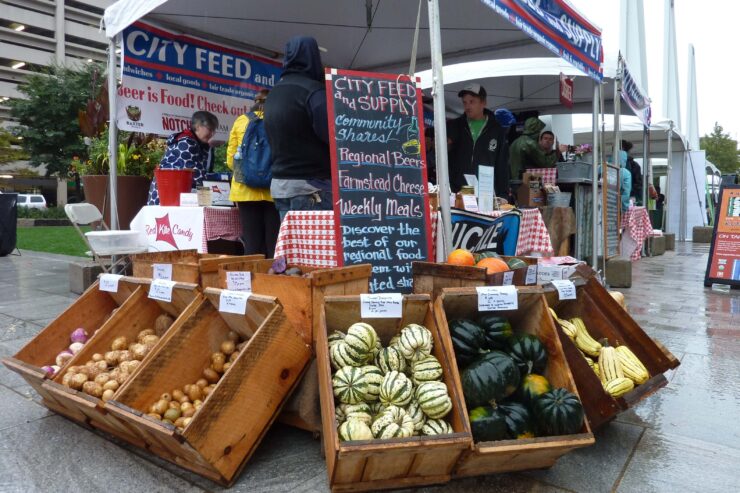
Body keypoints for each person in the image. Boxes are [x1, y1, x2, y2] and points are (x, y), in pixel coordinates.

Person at [263, 36, 332, 221]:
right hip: (312, 188)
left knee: (293, 249)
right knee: (319, 250)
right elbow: (334, 137)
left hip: (281, 187)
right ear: (313, 57)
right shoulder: (314, 92)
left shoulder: (274, 93)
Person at [226, 89, 280, 257]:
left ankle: (251, 279)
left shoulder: (241, 121)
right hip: (273, 190)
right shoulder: (278, 120)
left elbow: (231, 160)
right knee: (273, 242)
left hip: (245, 190)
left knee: (252, 242)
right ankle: (272, 280)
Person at [446, 84, 511, 197]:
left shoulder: (497, 130)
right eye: (464, 102)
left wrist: (503, 195)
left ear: (483, 102)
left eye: (472, 101)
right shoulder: (455, 126)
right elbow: (444, 158)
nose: (467, 106)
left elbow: (502, 165)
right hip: (459, 191)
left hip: (486, 193)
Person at [147, 111, 218, 205]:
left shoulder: (198, 144)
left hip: (175, 194)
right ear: (198, 126)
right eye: (210, 129)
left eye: (214, 130)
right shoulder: (186, 142)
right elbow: (196, 174)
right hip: (166, 196)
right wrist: (214, 197)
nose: (212, 133)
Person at [621, 139, 643, 205]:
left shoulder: (633, 165)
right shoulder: (635, 165)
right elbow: (638, 184)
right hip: (629, 197)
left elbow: (638, 184)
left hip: (629, 197)